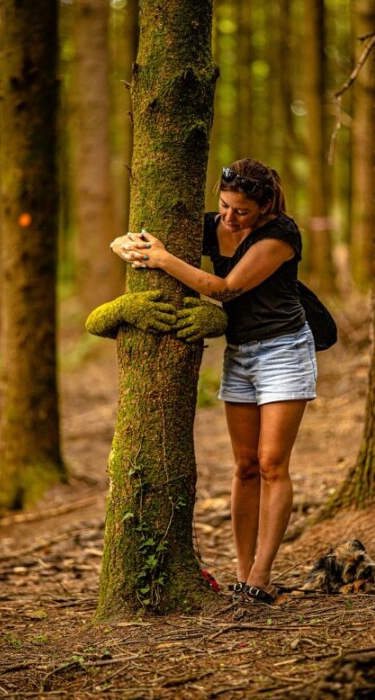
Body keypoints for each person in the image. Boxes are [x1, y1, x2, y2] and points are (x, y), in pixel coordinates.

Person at [111, 158, 317, 605]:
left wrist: (163, 258)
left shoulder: (280, 235)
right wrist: (124, 244)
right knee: (244, 466)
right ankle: (242, 574)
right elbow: (143, 240)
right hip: (240, 353)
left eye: (240, 211)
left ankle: (261, 576)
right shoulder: (215, 224)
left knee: (271, 464)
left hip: (283, 351)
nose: (228, 218)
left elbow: (223, 289)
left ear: (264, 208)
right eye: (223, 206)